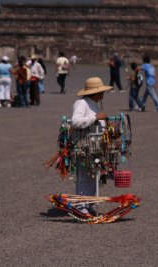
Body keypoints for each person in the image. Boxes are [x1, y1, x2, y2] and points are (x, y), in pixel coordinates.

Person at [71, 77, 113, 214]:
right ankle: (80, 205)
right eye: (101, 92)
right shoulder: (81, 103)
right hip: (85, 145)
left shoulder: (93, 103)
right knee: (84, 174)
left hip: (96, 146)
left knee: (94, 174)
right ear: (94, 93)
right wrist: (95, 118)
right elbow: (76, 122)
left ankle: (90, 202)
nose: (103, 94)